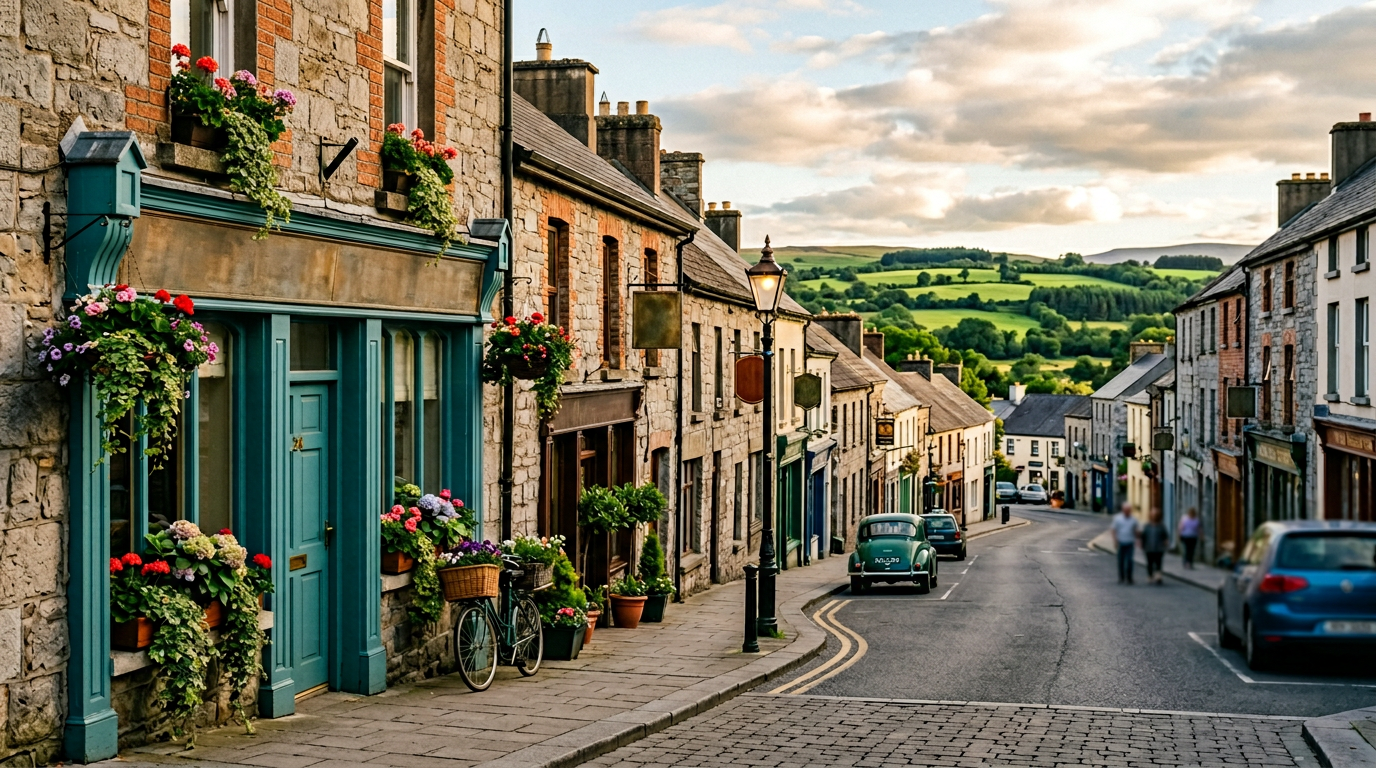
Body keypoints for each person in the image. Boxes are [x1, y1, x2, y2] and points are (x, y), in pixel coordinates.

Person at [1111, 502, 1139, 584]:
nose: (1127, 512)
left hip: (1130, 542)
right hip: (1121, 542)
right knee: (1121, 561)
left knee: (1130, 561)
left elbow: (1136, 530)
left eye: (1129, 510)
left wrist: (1138, 538)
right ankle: (1121, 577)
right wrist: (1115, 541)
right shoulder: (1117, 518)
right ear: (1123, 510)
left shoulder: (1133, 519)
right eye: (1126, 510)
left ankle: (1129, 578)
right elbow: (1113, 530)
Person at [1142, 509, 1169, 585]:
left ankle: (1158, 576)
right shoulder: (1147, 526)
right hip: (1149, 548)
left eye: (1156, 515)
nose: (1154, 517)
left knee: (1158, 563)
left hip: (1159, 548)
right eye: (1153, 515)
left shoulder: (1161, 526)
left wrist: (1166, 542)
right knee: (1149, 563)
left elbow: (1165, 536)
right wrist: (1142, 545)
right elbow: (1143, 536)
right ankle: (1150, 576)